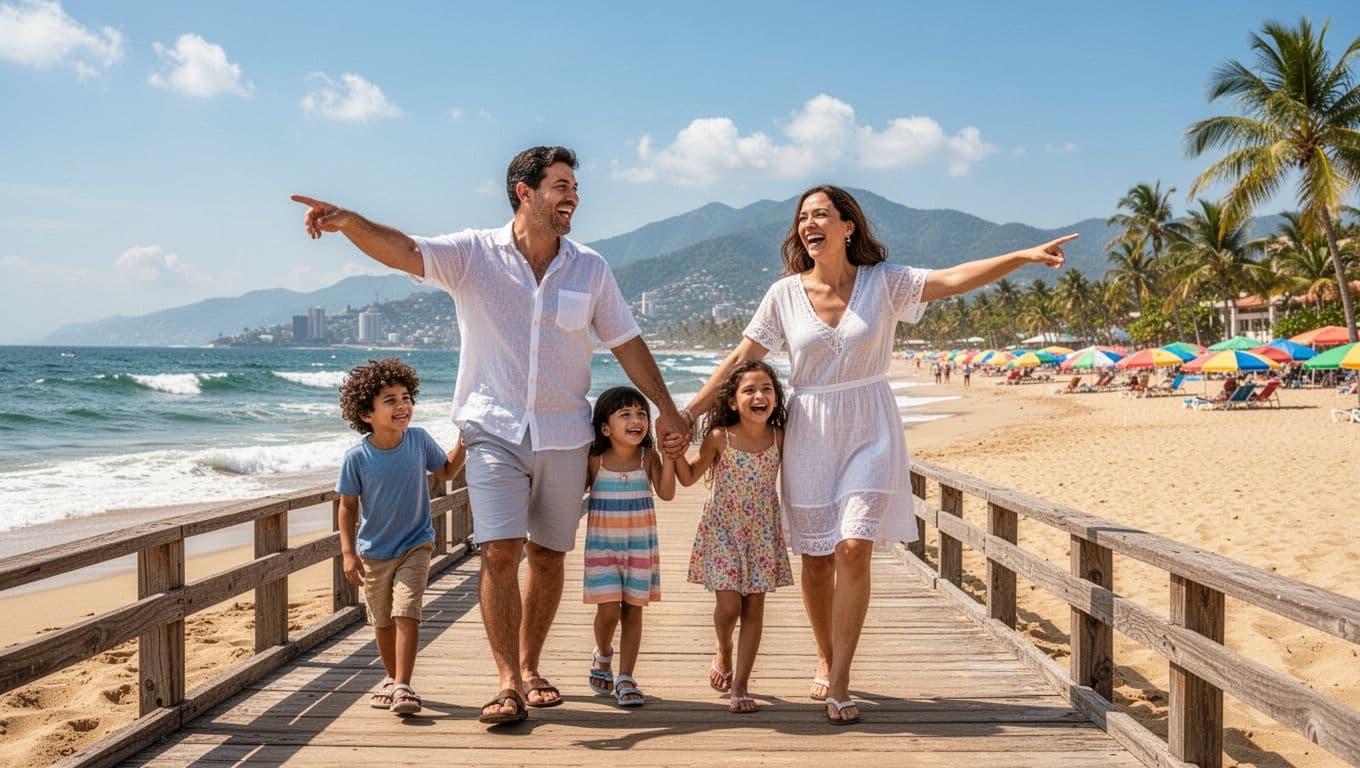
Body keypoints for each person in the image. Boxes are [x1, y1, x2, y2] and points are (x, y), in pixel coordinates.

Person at [293, 146, 688, 725]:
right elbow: (406, 250)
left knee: (549, 557)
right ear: (524, 193)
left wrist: (668, 408)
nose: (572, 194)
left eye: (574, 185)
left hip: (563, 432)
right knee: (500, 551)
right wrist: (350, 222)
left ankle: (530, 668)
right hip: (493, 431)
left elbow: (626, 340)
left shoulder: (590, 268)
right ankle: (506, 683)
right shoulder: (475, 254)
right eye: (560, 184)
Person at [668, 185, 1072, 725]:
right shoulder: (783, 294)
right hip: (810, 429)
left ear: (848, 226)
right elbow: (743, 355)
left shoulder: (886, 283)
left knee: (853, 546)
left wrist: (1021, 256)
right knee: (815, 557)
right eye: (803, 218)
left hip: (870, 425)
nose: (811, 224)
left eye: (822, 215)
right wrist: (689, 413)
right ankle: (824, 652)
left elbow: (953, 279)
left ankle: (840, 680)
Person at [335, 358, 465, 716]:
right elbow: (347, 507)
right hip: (374, 552)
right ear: (366, 413)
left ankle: (404, 684)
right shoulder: (357, 457)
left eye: (406, 397)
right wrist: (348, 552)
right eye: (389, 400)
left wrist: (464, 440)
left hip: (416, 543)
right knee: (382, 619)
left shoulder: (419, 441)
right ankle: (392, 678)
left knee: (407, 609)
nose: (402, 406)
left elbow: (448, 470)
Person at [674, 360, 794, 715]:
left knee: (754, 607)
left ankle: (740, 685)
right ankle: (723, 647)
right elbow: (689, 477)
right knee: (729, 607)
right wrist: (673, 452)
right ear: (731, 401)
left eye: (767, 389)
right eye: (749, 390)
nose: (759, 396)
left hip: (761, 532)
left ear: (776, 397)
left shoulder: (779, 437)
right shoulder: (718, 438)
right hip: (723, 529)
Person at [583, 387, 675, 708]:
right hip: (603, 548)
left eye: (640, 414)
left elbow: (666, 493)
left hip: (639, 548)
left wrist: (671, 458)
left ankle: (625, 677)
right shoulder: (595, 459)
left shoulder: (648, 458)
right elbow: (571, 490)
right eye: (625, 415)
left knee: (633, 609)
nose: (636, 420)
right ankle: (603, 653)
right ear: (605, 428)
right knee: (608, 612)